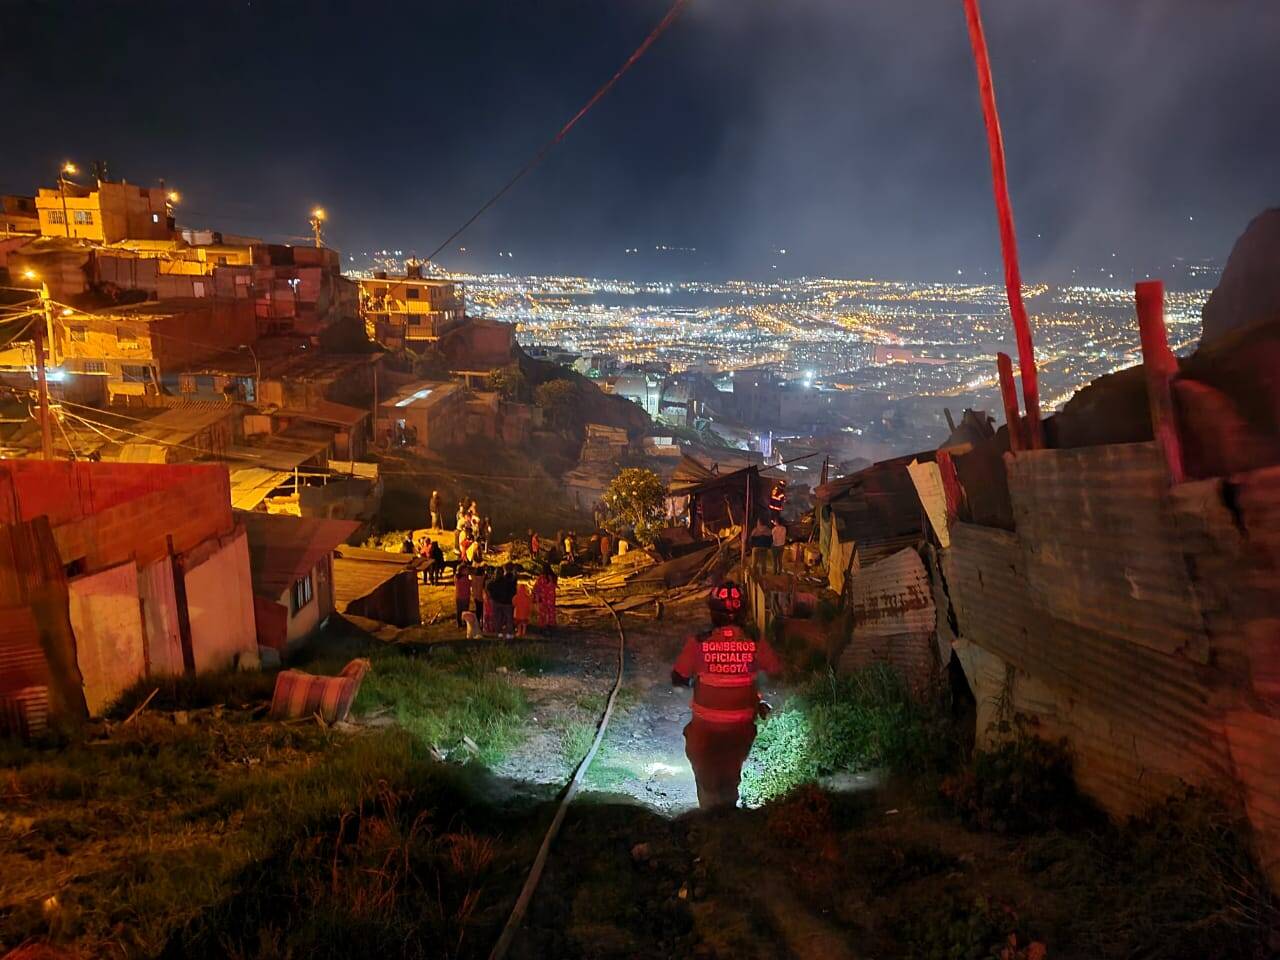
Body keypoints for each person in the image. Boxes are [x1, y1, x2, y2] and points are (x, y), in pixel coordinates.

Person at [672, 581, 782, 810]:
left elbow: (679, 677)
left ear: (713, 612)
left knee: (705, 778)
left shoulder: (699, 643)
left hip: (704, 733)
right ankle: (729, 813)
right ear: (743, 612)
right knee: (731, 778)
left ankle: (709, 814)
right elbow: (775, 673)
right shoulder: (754, 641)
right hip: (740, 732)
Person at [488, 563, 517, 640]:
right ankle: (509, 634)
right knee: (509, 619)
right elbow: (513, 589)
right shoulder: (508, 581)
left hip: (497, 602)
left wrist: (492, 597)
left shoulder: (493, 582)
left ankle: (499, 633)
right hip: (507, 602)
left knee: (498, 618)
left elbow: (489, 588)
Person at [533, 563, 558, 636]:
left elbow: (536, 588)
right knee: (551, 612)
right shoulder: (553, 577)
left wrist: (535, 597)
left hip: (543, 597)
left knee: (543, 613)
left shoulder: (541, 578)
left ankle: (543, 627)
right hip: (551, 597)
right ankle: (551, 626)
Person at [454, 562, 472, 628]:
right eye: (466, 570)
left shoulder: (456, 577)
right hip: (465, 597)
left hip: (458, 596)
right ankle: (465, 622)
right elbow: (469, 584)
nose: (468, 571)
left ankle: (459, 623)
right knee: (465, 610)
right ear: (462, 571)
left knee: (459, 610)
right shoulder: (465, 579)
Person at [470, 565, 487, 630]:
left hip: (476, 596)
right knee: (483, 611)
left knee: (478, 611)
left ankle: (477, 624)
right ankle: (483, 624)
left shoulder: (473, 578)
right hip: (482, 597)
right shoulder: (483, 579)